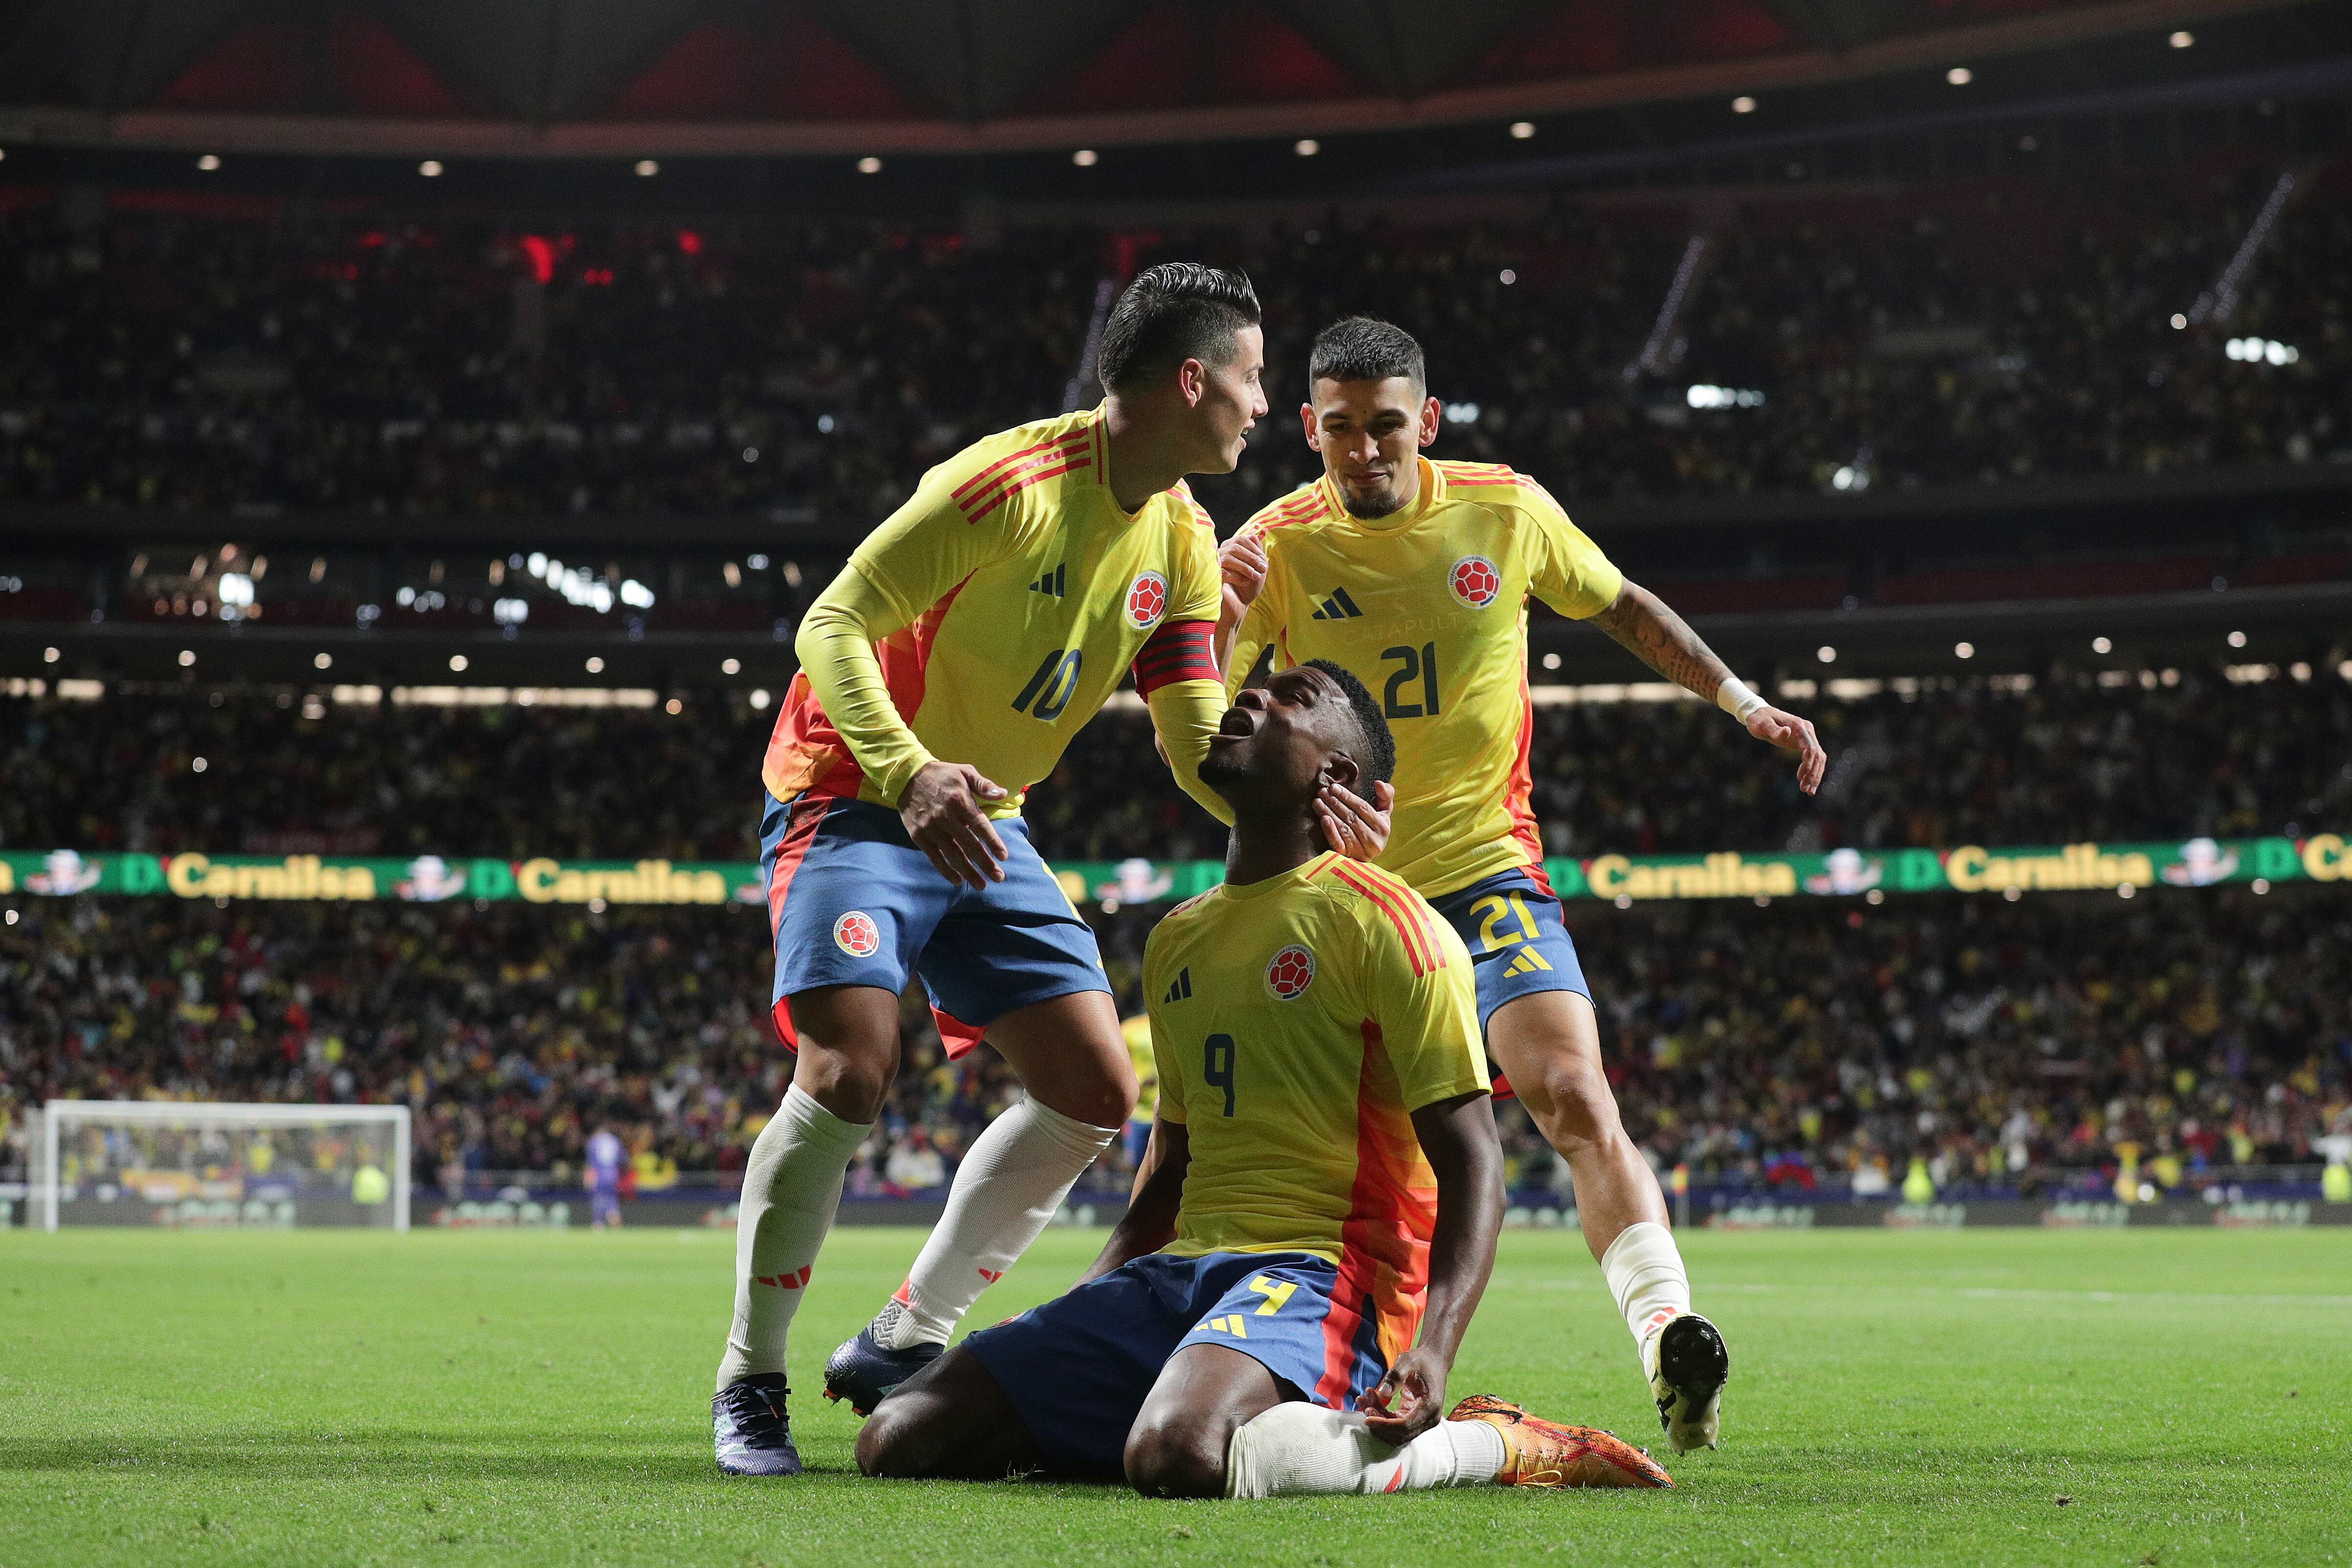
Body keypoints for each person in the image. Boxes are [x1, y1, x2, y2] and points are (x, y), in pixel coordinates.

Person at [711, 264, 1391, 1477]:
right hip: (856, 789)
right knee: (850, 1067)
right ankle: (748, 1379)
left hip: (986, 813)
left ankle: (903, 1332)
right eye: (1248, 377)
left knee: (1091, 1087)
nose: (1257, 404)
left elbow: (1191, 731)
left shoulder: (1180, 534)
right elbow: (832, 622)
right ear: (1190, 380)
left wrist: (1299, 804)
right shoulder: (1002, 487)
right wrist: (911, 770)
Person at [1216, 318, 1830, 1454]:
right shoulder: (1275, 544)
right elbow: (1203, 719)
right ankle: (1316, 1368)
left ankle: (1665, 1338)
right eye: (1337, 429)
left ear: (1427, 421)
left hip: (1484, 872)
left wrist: (1743, 701)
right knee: (1340, 1171)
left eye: (1384, 426)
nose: (1361, 451)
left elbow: (1622, 605)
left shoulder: (1502, 507)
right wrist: (1198, 609)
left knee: (1568, 1092)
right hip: (1346, 902)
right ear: (1306, 427)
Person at [856, 660, 1671, 1498]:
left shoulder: (1389, 923)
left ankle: (1487, 1445)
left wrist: (1432, 1345)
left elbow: (1473, 1162)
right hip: (1183, 1271)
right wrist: (1089, 1302)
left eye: (1291, 699)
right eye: (1250, 690)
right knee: (897, 1436)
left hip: (1332, 1271)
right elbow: (1171, 1166)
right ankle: (1200, 1404)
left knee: (1178, 1456)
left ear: (1337, 776)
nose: (1250, 699)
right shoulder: (1176, 939)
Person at [585, 1124, 625, 1230]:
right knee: (611, 1197)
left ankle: (598, 1223)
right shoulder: (615, 1141)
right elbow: (623, 1159)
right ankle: (614, 1218)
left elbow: (591, 1162)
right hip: (613, 1174)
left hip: (599, 1175)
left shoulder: (594, 1141)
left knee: (599, 1198)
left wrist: (588, 1176)